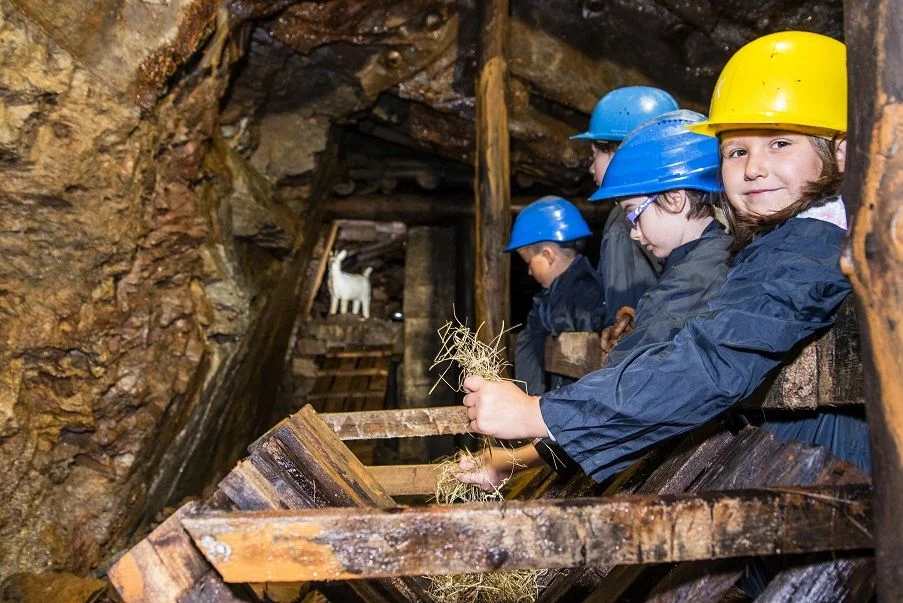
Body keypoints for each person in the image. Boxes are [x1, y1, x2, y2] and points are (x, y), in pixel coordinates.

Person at [460, 31, 870, 481]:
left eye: (780, 143)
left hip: (836, 491)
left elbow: (710, 362)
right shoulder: (792, 243)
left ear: (843, 151)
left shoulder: (806, 248)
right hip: (816, 475)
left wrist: (539, 414)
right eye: (737, 150)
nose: (753, 167)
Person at [459, 110, 731, 488]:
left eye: (634, 214)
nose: (633, 234)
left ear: (674, 198)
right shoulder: (697, 266)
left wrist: (525, 428)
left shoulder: (694, 279)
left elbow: (628, 399)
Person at [572, 86, 679, 324]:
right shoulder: (678, 206)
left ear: (621, 152)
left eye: (595, 154)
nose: (591, 167)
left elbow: (626, 313)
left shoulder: (623, 223)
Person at [507, 196, 606, 398]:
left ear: (548, 255)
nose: (529, 272)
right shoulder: (548, 300)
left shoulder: (587, 295)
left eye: (529, 262)